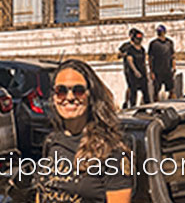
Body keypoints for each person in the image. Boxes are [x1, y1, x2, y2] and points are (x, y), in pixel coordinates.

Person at [37, 59, 133, 203]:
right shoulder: (53, 141)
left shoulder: (112, 151)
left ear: (90, 96)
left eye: (78, 91)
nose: (69, 97)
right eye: (61, 91)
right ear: (54, 97)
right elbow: (43, 192)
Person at [118, 28, 149, 108]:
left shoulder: (141, 49)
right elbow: (119, 55)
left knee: (144, 89)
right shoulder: (127, 46)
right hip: (129, 71)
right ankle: (128, 103)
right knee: (132, 88)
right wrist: (124, 55)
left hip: (140, 70)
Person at [148, 24, 176, 101]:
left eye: (162, 32)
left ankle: (172, 104)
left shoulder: (169, 43)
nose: (161, 33)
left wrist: (173, 67)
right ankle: (156, 108)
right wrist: (151, 72)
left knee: (171, 90)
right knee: (156, 91)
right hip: (157, 71)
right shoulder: (153, 44)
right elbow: (150, 58)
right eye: (159, 32)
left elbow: (172, 56)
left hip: (167, 70)